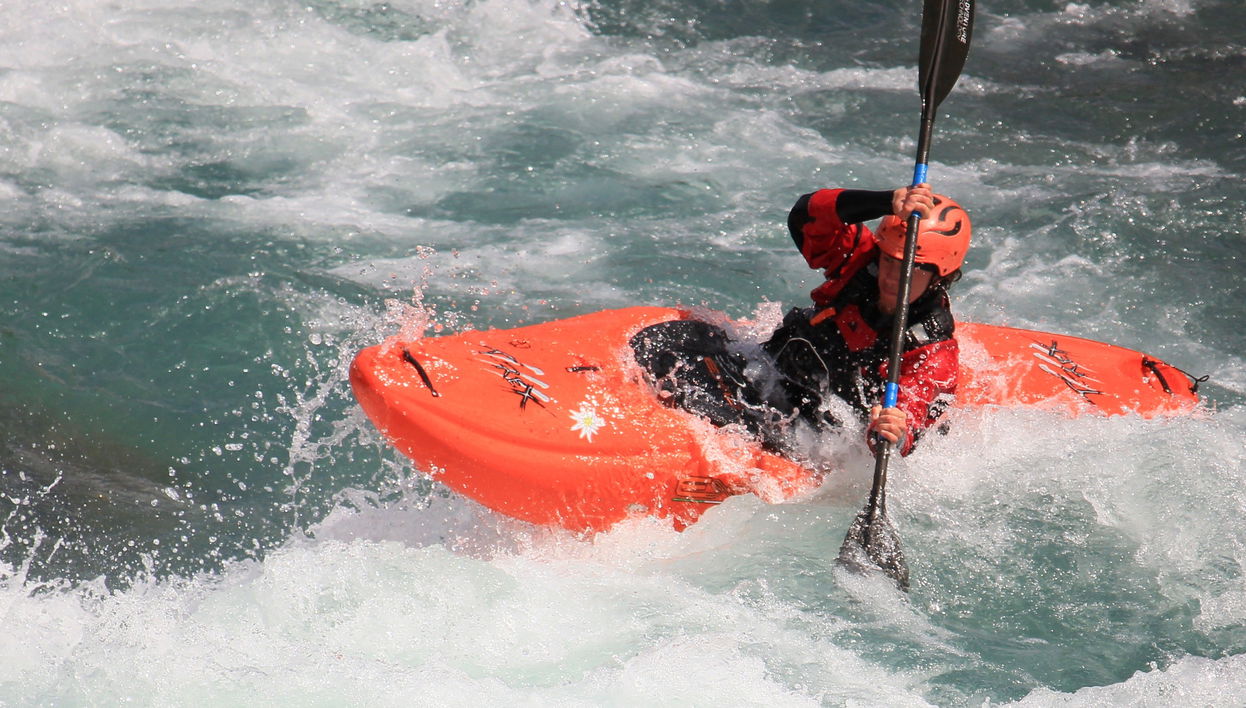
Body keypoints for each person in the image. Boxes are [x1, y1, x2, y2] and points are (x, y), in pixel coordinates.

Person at [763, 183, 970, 455]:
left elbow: (912, 410)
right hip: (774, 376)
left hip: (824, 434)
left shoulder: (933, 351)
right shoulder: (858, 261)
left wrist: (893, 428)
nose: (894, 277)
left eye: (913, 268)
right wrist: (885, 201)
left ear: (939, 276)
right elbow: (807, 215)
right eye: (890, 261)